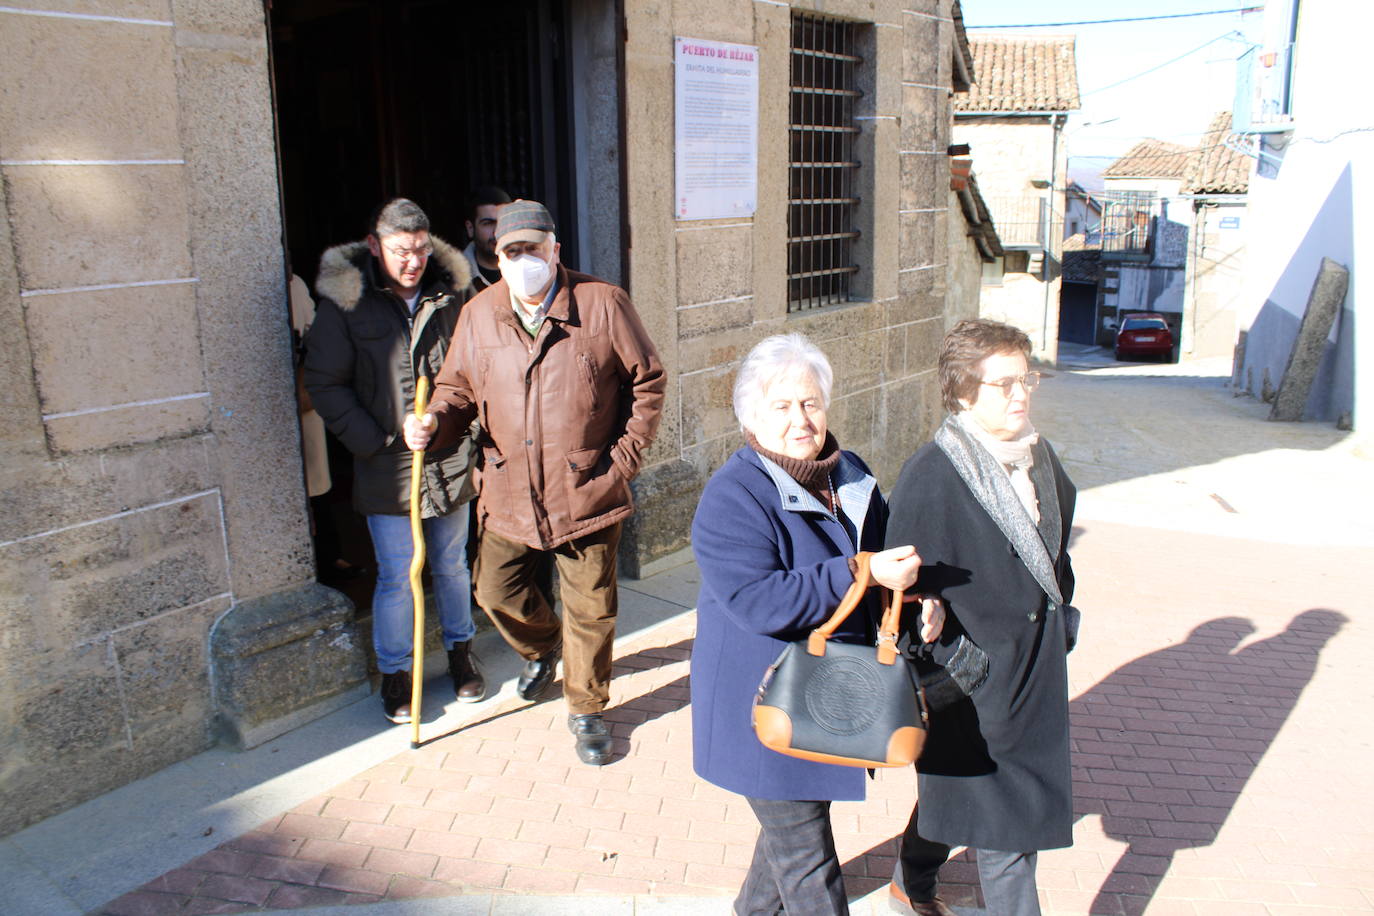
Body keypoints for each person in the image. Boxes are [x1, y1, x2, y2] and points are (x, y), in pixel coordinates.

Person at [689, 333, 944, 915]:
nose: (800, 419)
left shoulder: (850, 475)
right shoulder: (734, 494)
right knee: (809, 862)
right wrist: (859, 569)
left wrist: (917, 594)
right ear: (752, 416)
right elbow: (759, 601)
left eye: (810, 403)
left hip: (826, 698)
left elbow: (883, 566)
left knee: (789, 841)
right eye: (781, 406)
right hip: (763, 702)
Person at [404, 199, 665, 766]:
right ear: (496, 257)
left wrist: (621, 463)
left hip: (586, 488)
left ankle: (586, 708)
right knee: (494, 590)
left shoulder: (602, 302)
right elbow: (456, 392)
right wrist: (434, 422)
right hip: (507, 490)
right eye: (512, 252)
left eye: (535, 250)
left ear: (556, 251)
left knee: (591, 608)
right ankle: (545, 647)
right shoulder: (478, 314)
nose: (525, 262)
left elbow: (647, 383)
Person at [883, 319, 1079, 916]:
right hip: (973, 680)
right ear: (964, 392)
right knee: (1008, 832)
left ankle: (909, 881)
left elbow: (1056, 549)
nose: (1020, 395)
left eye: (1027, 379)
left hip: (1035, 668)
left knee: (963, 792)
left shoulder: (1039, 457)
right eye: (1003, 384)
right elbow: (902, 587)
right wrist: (929, 616)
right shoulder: (933, 474)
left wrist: (1063, 615)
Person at [303, 198, 485, 724]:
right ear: (375, 246)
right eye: (403, 251)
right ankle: (397, 672)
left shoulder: (454, 293)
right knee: (396, 573)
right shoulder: (347, 303)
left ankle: (460, 652)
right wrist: (380, 440)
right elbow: (325, 383)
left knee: (451, 563)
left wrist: (451, 425)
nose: (414, 262)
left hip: (447, 456)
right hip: (386, 462)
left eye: (422, 250)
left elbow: (474, 369)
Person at [462, 185, 511, 291]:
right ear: (470, 228)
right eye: (488, 223)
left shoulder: (527, 270)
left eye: (503, 222)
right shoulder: (455, 280)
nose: (497, 231)